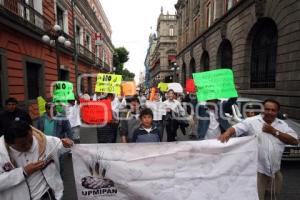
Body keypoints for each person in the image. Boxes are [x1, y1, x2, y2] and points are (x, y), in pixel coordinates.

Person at [218, 99, 298, 200]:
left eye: (273, 110)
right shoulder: (251, 121)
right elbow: (236, 128)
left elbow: (295, 141)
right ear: (262, 110)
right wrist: (227, 133)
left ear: (277, 112)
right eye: (267, 109)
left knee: (272, 197)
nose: (269, 112)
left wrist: (274, 131)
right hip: (257, 172)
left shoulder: (282, 125)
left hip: (275, 172)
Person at [0, 120, 73, 200]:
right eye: (23, 145)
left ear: (31, 132)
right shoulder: (2, 154)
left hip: (47, 195)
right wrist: (23, 172)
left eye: (30, 140)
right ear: (10, 144)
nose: (28, 145)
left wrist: (66, 145)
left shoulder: (43, 141)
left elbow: (60, 146)